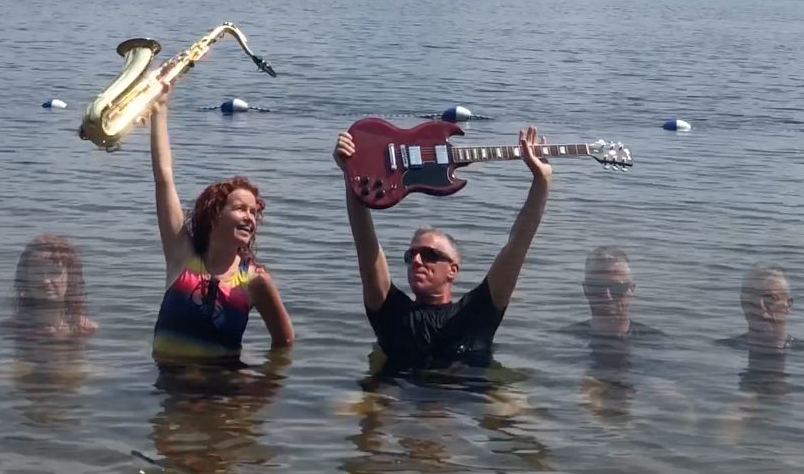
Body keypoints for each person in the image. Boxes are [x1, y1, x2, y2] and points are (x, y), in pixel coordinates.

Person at [332, 125, 551, 371]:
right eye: (411, 254)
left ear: (453, 270)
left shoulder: (475, 314)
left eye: (430, 255)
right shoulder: (392, 314)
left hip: (467, 394)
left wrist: (541, 181)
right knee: (343, 407)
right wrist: (352, 173)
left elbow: (517, 246)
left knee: (514, 406)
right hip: (399, 392)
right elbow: (365, 246)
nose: (416, 261)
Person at [150, 86, 294, 364]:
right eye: (240, 208)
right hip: (172, 394)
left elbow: (285, 342)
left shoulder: (254, 280)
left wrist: (262, 390)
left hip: (225, 398)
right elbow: (163, 178)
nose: (250, 217)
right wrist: (159, 109)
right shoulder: (182, 256)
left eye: (253, 212)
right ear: (215, 214)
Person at [560, 246, 662, 341]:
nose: (607, 297)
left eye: (617, 288)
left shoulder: (657, 343)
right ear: (586, 290)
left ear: (631, 290)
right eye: (597, 287)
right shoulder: (561, 342)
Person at [6, 234, 97, 338]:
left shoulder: (86, 329)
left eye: (54, 272)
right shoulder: (12, 329)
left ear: (71, 277)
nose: (45, 280)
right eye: (37, 272)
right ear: (25, 278)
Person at [717, 263, 804, 353]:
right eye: (752, 299)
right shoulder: (721, 351)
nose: (760, 307)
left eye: (770, 299)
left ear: (789, 306)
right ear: (743, 304)